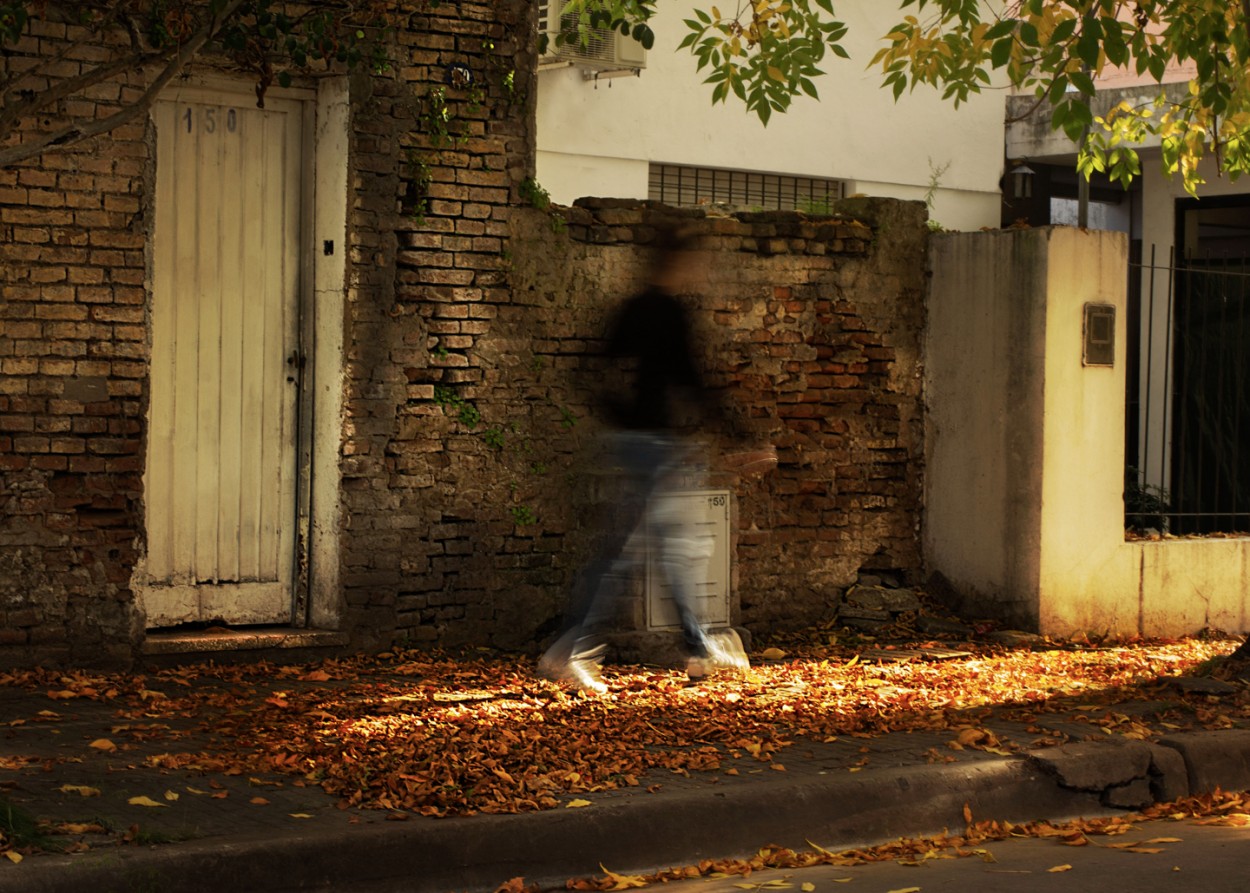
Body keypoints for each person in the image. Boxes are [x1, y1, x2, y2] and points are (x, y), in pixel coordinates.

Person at [538, 224, 752, 694]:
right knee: (625, 551)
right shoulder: (669, 313)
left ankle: (697, 651)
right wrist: (733, 429)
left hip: (637, 442)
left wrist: (620, 417)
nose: (700, 271)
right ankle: (567, 651)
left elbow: (592, 372)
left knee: (674, 549)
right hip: (653, 446)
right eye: (695, 262)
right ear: (676, 262)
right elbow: (690, 379)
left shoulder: (632, 309)